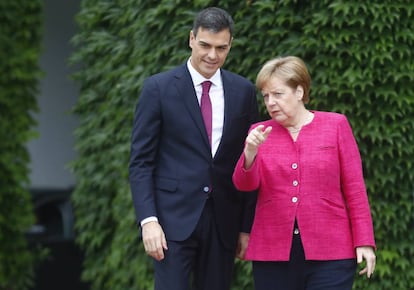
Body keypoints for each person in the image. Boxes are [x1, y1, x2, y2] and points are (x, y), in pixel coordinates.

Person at [128, 7, 259, 290]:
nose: (212, 55)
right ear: (191, 39)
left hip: (224, 221)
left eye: (221, 48)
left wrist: (246, 227)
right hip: (171, 222)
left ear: (230, 45)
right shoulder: (158, 89)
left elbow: (251, 162)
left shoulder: (244, 91)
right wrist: (148, 221)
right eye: (205, 45)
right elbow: (141, 162)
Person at [232, 56, 376, 290]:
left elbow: (355, 189)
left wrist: (365, 241)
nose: (270, 102)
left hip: (331, 250)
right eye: (266, 96)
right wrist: (250, 152)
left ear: (299, 92)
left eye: (278, 94)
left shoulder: (336, 125)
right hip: (273, 252)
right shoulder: (258, 133)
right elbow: (245, 185)